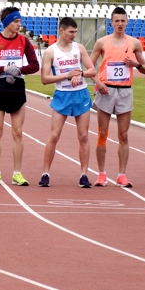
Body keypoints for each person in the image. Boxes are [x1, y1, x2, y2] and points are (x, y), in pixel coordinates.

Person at [0, 6, 40, 186]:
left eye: (20, 21)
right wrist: (4, 69)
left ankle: (17, 173)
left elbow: (34, 65)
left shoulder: (24, 41)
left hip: (17, 88)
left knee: (18, 132)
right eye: (16, 21)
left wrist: (18, 70)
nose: (19, 24)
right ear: (7, 23)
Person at [89, 6, 145, 187]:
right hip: (106, 91)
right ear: (111, 22)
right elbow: (90, 68)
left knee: (123, 135)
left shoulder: (134, 43)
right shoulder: (102, 42)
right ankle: (101, 174)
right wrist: (98, 83)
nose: (120, 24)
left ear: (127, 22)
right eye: (117, 21)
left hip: (124, 91)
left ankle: (122, 174)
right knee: (102, 133)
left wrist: (135, 63)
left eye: (123, 21)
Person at [38, 17, 97, 188]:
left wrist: (81, 74)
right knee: (54, 135)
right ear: (61, 31)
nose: (74, 35)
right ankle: (45, 173)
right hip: (62, 95)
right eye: (71, 32)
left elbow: (92, 69)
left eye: (75, 32)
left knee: (84, 136)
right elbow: (44, 79)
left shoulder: (79, 48)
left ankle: (84, 174)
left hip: (81, 95)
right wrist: (66, 75)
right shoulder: (51, 52)